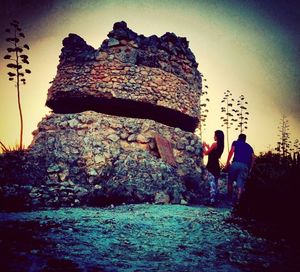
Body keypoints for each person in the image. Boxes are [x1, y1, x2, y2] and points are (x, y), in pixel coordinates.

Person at [224, 133, 255, 206]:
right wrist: (250, 168)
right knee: (240, 183)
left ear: (238, 138)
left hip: (235, 163)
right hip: (245, 166)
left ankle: (229, 199)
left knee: (230, 181)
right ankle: (238, 201)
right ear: (245, 139)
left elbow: (231, 151)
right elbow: (253, 157)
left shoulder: (235, 142)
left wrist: (227, 162)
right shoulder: (249, 146)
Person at [202, 130, 224, 205]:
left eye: (214, 135)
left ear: (217, 136)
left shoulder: (214, 144)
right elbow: (213, 152)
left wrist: (204, 146)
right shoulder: (221, 145)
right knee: (215, 183)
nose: (213, 137)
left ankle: (212, 201)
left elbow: (206, 153)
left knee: (211, 183)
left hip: (211, 165)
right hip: (216, 165)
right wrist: (208, 147)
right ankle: (215, 200)